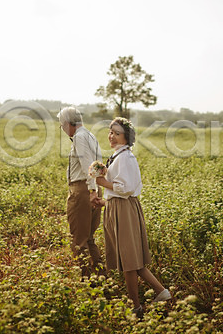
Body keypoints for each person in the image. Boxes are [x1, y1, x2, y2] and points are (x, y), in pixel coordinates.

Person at [93, 117, 171, 317]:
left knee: (129, 262)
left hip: (124, 210)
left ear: (126, 138)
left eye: (116, 133)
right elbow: (120, 189)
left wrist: (102, 182)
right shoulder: (118, 156)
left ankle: (136, 307)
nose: (111, 136)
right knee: (130, 260)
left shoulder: (126, 158)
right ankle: (161, 292)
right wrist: (105, 201)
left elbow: (125, 188)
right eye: (111, 132)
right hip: (118, 207)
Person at [58, 106, 104, 278]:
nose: (63, 130)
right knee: (89, 238)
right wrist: (96, 190)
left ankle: (86, 282)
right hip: (93, 188)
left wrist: (92, 190)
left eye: (62, 126)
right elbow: (97, 165)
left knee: (79, 241)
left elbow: (88, 166)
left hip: (83, 190)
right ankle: (101, 279)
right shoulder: (90, 135)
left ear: (69, 123)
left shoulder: (79, 137)